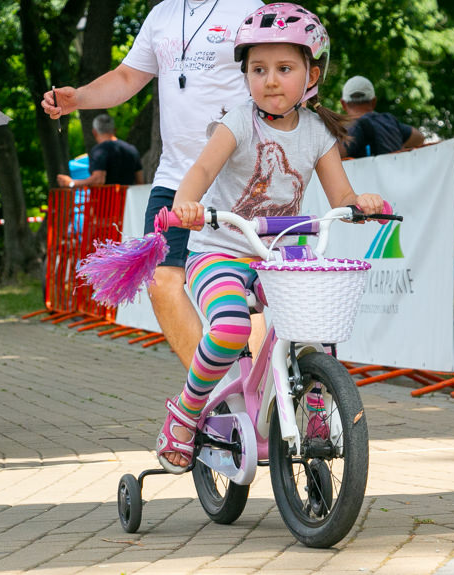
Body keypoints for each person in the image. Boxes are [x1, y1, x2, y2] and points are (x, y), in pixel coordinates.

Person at [154, 3, 384, 472]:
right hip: (220, 250)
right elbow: (200, 169)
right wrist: (187, 205)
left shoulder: (318, 132)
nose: (271, 80)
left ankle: (315, 411)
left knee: (315, 327)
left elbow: (340, 194)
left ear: (311, 74)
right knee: (231, 328)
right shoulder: (238, 121)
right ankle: (187, 410)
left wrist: (360, 205)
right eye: (258, 69)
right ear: (246, 76)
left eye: (284, 68)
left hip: (279, 255)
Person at [42, 0, 264, 371]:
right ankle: (218, 394)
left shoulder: (247, 8)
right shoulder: (161, 14)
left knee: (244, 292)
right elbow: (127, 77)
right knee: (161, 283)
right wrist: (78, 98)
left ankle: (255, 396)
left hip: (236, 176)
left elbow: (274, 81)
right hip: (174, 177)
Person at [339, 75, 424, 158]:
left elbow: (334, 155)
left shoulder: (355, 127)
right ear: (374, 101)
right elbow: (419, 138)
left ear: (343, 104)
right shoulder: (389, 120)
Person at [56, 113, 143, 188]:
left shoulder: (99, 150)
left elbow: (98, 179)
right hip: (129, 203)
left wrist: (72, 183)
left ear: (94, 132)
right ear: (114, 130)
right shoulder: (132, 150)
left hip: (107, 204)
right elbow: (140, 182)